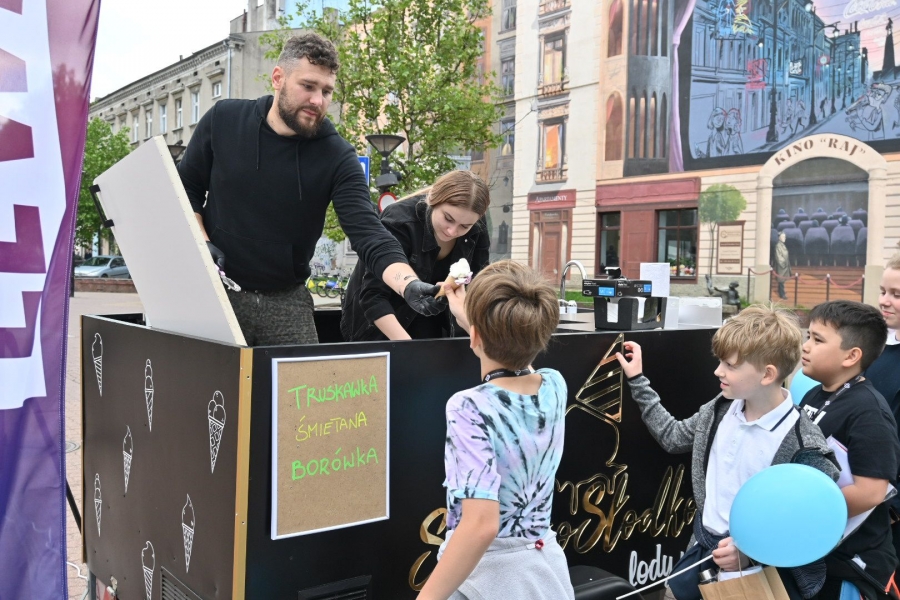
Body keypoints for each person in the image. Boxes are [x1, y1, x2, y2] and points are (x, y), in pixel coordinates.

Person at [177, 33, 442, 345]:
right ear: (279, 78)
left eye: (326, 91)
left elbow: (368, 232)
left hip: (287, 301)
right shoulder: (224, 119)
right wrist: (202, 242)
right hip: (216, 290)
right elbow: (186, 187)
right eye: (308, 86)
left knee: (303, 379)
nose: (318, 100)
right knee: (205, 377)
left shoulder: (337, 155)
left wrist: (407, 283)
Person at [615, 305, 838, 600]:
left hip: (757, 577)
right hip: (698, 559)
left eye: (730, 365)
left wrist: (752, 552)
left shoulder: (803, 444)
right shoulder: (719, 409)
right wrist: (637, 380)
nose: (718, 371)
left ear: (767, 374)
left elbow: (818, 524)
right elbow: (673, 437)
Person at [416, 260, 574, 600]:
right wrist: (475, 323)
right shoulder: (555, 385)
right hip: (543, 569)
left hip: (488, 578)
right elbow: (520, 358)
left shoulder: (469, 406)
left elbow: (481, 525)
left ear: (475, 336)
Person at [799, 300, 900, 599]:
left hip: (850, 567)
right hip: (813, 557)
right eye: (808, 336)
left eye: (818, 340)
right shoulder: (813, 395)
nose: (806, 346)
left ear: (852, 356)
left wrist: (800, 514)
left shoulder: (868, 411)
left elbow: (871, 493)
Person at [340, 170, 490, 341]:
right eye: (448, 218)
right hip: (378, 323)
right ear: (433, 198)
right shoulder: (399, 220)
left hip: (434, 322)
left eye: (464, 226)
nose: (452, 231)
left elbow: (478, 285)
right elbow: (372, 297)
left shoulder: (475, 224)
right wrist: (408, 349)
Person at [865, 253, 900, 585]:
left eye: (897, 294)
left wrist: (893, 506)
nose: (885, 301)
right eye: (883, 291)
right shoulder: (876, 348)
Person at [775, 231, 791, 299]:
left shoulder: (782, 245)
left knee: (782, 281)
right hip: (781, 267)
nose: (784, 238)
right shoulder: (778, 246)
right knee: (781, 281)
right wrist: (784, 264)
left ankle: (781, 292)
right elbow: (779, 257)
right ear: (779, 238)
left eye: (785, 237)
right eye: (783, 237)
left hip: (784, 266)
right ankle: (782, 294)